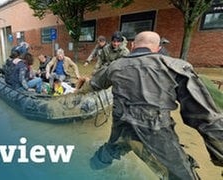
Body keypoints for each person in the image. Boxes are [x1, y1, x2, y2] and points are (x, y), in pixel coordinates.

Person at [84, 31, 223, 179]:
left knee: (112, 148)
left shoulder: (115, 66)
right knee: (181, 174)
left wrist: (80, 87)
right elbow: (205, 117)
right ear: (158, 48)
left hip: (123, 125)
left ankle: (91, 168)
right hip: (156, 131)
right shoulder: (175, 66)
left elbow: (93, 84)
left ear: (132, 45)